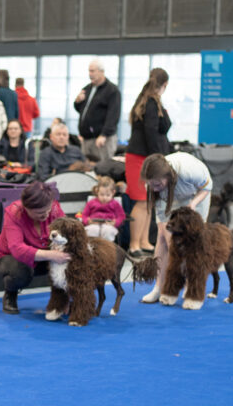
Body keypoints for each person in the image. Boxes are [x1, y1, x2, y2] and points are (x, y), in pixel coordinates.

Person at [138, 152, 213, 303]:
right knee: (163, 239)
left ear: (167, 176)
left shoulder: (189, 170)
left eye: (157, 184)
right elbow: (164, 228)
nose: (154, 188)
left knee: (193, 244)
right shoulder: (153, 186)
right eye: (151, 185)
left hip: (195, 196)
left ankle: (190, 285)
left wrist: (193, 204)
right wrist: (170, 240)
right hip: (168, 199)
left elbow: (207, 186)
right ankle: (159, 287)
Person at [0, 181, 69, 314]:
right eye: (40, 213)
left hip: (43, 255)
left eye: (48, 209)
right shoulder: (14, 213)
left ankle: (65, 299)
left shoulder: (54, 208)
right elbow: (17, 249)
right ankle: (10, 293)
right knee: (21, 271)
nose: (46, 215)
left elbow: (67, 232)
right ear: (26, 208)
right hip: (10, 258)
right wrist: (53, 255)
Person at [124, 68, 171, 256]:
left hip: (143, 156)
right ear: (165, 84)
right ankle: (134, 244)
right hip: (141, 158)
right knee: (142, 201)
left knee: (149, 201)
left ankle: (144, 241)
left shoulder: (147, 100)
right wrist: (155, 159)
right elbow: (151, 132)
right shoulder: (150, 103)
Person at [73, 58, 121, 163]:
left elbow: (113, 116)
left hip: (102, 139)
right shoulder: (87, 88)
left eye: (92, 71)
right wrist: (77, 101)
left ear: (101, 71)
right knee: (86, 167)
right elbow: (82, 111)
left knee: (102, 167)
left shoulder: (112, 90)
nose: (90, 74)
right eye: (89, 71)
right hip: (86, 139)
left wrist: (104, 135)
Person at [81, 176, 126, 242]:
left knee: (107, 231)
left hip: (109, 225)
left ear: (113, 192)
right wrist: (88, 221)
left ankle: (107, 246)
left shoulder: (115, 203)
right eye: (102, 195)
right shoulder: (91, 202)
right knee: (90, 231)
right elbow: (84, 215)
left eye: (108, 195)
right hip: (94, 224)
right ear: (97, 191)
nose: (104, 198)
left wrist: (115, 223)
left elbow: (121, 216)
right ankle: (93, 246)